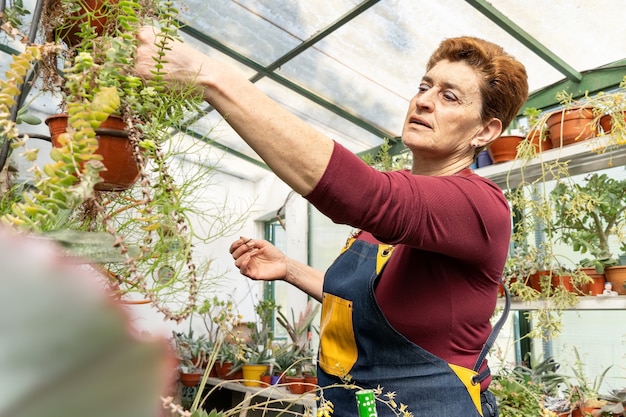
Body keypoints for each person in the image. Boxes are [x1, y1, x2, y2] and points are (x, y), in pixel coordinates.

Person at [136, 29, 528, 417]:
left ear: (485, 130)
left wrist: (210, 76)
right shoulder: (391, 217)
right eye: (424, 86)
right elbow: (365, 302)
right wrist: (289, 269)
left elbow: (364, 195)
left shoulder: (479, 205)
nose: (424, 101)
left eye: (449, 96)